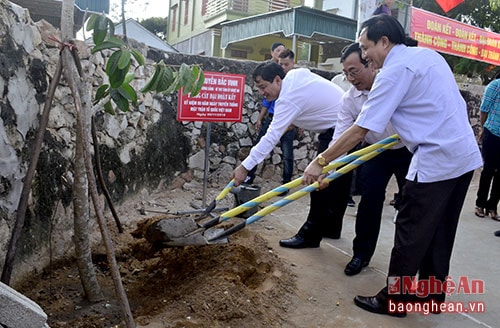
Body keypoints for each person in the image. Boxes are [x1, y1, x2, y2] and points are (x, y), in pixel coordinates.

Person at [303, 14, 482, 316]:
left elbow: (361, 128)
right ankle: (431, 296)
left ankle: (393, 300)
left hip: (436, 160)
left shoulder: (392, 72)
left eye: (366, 47)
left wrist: (320, 161)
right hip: (463, 156)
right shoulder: (427, 55)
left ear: (384, 42)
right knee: (440, 230)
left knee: (410, 231)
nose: (364, 55)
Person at [232, 61, 353, 248]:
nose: (262, 93)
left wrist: (245, 167)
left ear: (278, 79)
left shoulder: (287, 98)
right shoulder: (296, 76)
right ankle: (331, 227)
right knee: (340, 182)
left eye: (264, 87)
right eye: (259, 89)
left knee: (317, 183)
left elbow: (270, 137)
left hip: (340, 130)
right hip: (349, 124)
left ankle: (310, 236)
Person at [336, 43, 412, 276]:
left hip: (406, 149)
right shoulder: (350, 100)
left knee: (412, 205)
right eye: (346, 73)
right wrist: (326, 168)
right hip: (374, 152)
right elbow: (340, 136)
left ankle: (408, 265)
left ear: (369, 64)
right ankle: (361, 254)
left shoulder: (391, 84)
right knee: (369, 201)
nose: (350, 78)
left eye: (354, 71)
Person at [246, 45, 295, 188]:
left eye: (286, 64)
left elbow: (300, 109)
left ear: (293, 64)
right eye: (281, 64)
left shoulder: (293, 85)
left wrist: (297, 123)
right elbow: (266, 102)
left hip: (290, 120)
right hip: (273, 116)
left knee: (287, 152)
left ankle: (286, 183)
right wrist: (260, 118)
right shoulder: (271, 81)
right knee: (259, 143)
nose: (284, 67)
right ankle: (249, 176)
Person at [475, 73, 500, 224]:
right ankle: (480, 204)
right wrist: (482, 128)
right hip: (492, 132)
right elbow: (484, 109)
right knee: (489, 170)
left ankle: (492, 206)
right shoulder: (495, 85)